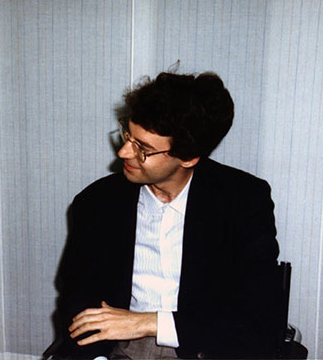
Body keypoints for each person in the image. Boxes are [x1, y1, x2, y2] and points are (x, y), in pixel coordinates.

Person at [51, 72, 281, 359]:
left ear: (188, 157)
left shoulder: (243, 201)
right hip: (117, 348)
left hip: (202, 348)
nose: (124, 152)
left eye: (143, 149)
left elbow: (257, 320)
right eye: (127, 136)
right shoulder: (97, 202)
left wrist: (150, 322)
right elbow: (78, 298)